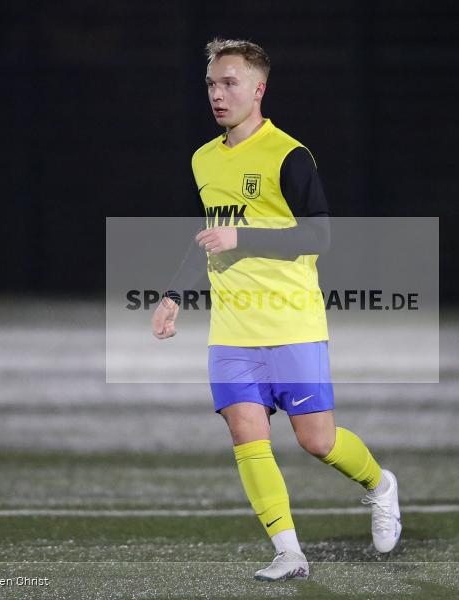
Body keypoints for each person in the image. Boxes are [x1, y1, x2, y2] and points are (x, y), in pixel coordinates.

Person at [151, 38, 401, 582]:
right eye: (212, 84)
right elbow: (209, 238)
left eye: (230, 83)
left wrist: (242, 236)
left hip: (291, 320)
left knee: (318, 441)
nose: (218, 95)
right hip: (232, 329)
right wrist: (174, 294)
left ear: (258, 88)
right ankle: (288, 551)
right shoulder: (203, 159)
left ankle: (380, 486)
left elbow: (319, 236)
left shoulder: (289, 155)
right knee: (247, 435)